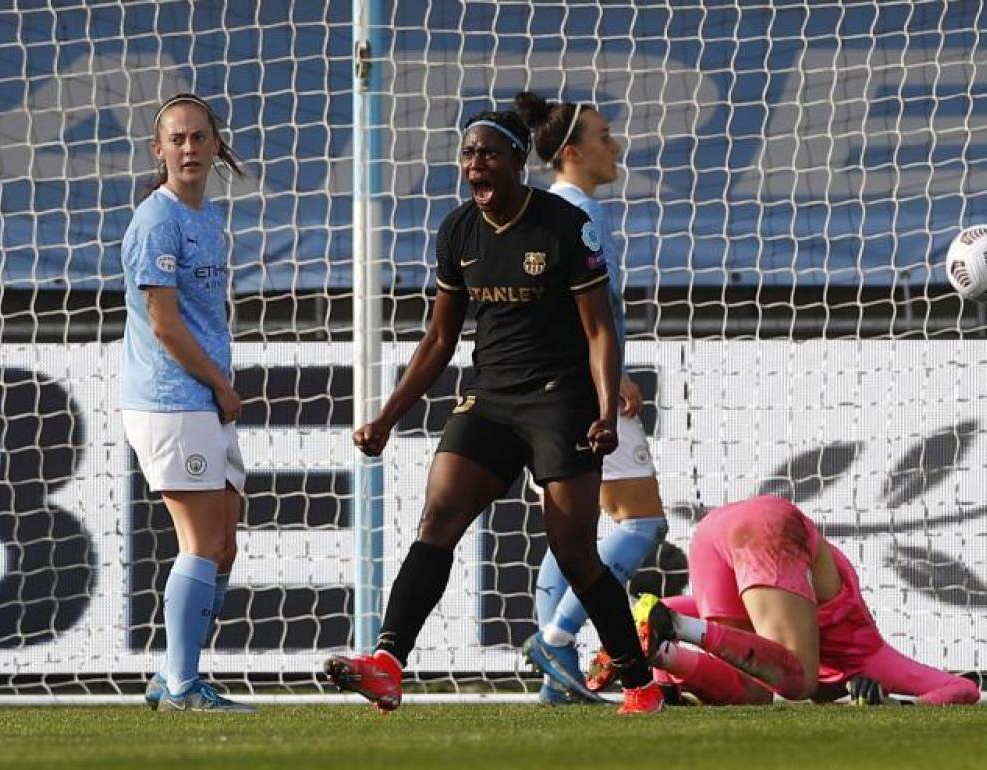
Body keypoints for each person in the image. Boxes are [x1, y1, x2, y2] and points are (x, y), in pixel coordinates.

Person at [323, 109, 663, 715]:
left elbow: (600, 330)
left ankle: (639, 682)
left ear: (517, 162)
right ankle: (387, 663)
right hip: (490, 398)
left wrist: (606, 410)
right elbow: (437, 340)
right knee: (438, 517)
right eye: (467, 155)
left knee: (575, 552)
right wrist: (387, 416)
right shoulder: (458, 231)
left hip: (561, 400)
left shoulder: (564, 225)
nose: (474, 165)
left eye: (488, 154)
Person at [514, 91, 669, 706]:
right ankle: (556, 638)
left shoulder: (547, 210)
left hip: (546, 390)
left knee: (571, 533)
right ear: (573, 152)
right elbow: (575, 310)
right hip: (586, 389)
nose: (616, 145)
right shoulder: (576, 213)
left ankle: (559, 679)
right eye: (605, 135)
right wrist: (612, 375)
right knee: (640, 521)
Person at [591, 495, 981, 707]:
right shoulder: (867, 656)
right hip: (768, 529)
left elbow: (669, 607)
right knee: (798, 681)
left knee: (756, 690)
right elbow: (963, 689)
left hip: (713, 533)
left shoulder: (778, 622)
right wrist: (901, 709)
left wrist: (665, 674)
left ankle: (664, 660)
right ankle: (677, 638)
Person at [120, 92, 253, 712]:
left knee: (223, 543)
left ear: (216, 144)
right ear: (160, 150)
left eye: (200, 137)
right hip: (173, 399)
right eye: (178, 139)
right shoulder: (158, 219)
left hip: (203, 400)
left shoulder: (207, 217)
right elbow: (166, 324)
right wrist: (223, 386)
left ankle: (175, 674)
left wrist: (218, 389)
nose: (190, 148)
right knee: (200, 543)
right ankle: (180, 686)